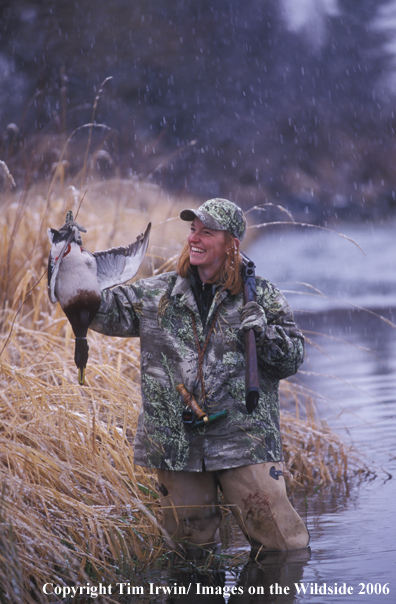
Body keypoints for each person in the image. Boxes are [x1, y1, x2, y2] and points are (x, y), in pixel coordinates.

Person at [89, 198, 309, 556]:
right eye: (193, 230)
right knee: (190, 553)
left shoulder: (264, 297)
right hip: (177, 445)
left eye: (207, 232)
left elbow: (291, 359)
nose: (194, 238)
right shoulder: (156, 294)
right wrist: (74, 275)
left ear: (231, 244)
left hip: (244, 441)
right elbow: (101, 313)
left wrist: (264, 334)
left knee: (282, 549)